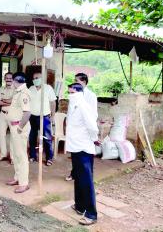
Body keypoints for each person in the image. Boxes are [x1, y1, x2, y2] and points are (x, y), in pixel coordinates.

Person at [66, 83, 99, 226]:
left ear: (79, 92)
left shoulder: (83, 106)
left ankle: (91, 213)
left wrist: (94, 139)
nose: (70, 95)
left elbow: (92, 126)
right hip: (75, 146)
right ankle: (79, 206)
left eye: (72, 92)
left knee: (86, 181)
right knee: (78, 178)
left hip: (84, 148)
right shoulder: (73, 105)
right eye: (69, 92)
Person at [66, 72, 98, 181]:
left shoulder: (90, 95)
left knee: (85, 160)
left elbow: (93, 114)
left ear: (84, 82)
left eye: (77, 80)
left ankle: (86, 180)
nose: (74, 82)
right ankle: (74, 173)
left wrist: (93, 136)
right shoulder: (74, 95)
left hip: (85, 131)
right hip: (75, 133)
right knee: (75, 156)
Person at [5, 72, 31, 194]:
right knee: (15, 154)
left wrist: (20, 128)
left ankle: (24, 183)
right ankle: (17, 178)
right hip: (14, 126)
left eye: (13, 81)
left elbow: (27, 113)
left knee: (21, 155)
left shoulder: (24, 93)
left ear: (16, 81)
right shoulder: (18, 92)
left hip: (20, 127)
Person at [28, 71, 57, 166]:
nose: (35, 80)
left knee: (47, 138)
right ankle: (33, 155)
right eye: (34, 78)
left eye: (37, 78)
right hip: (32, 117)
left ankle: (49, 158)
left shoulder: (48, 88)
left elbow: (53, 103)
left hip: (44, 117)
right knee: (32, 137)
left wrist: (52, 115)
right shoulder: (31, 88)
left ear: (42, 79)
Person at [0, 72, 15, 162]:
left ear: (13, 79)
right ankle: (3, 154)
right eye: (7, 78)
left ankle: (13, 157)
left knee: (13, 136)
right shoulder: (1, 89)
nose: (8, 79)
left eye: (10, 78)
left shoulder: (16, 89)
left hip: (13, 114)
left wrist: (4, 100)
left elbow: (14, 102)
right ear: (4, 79)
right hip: (2, 114)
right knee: (1, 135)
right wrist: (9, 101)